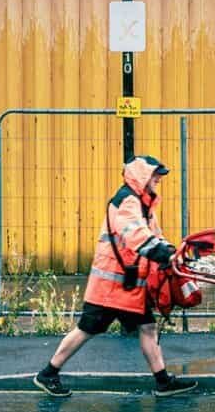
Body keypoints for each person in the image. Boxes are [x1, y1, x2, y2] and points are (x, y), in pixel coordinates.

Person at [34, 155, 198, 398]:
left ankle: (163, 381)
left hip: (127, 286)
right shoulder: (126, 202)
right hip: (111, 286)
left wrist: (172, 252)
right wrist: (165, 253)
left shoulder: (143, 203)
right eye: (155, 175)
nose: (158, 180)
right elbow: (136, 235)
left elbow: (154, 234)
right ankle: (47, 373)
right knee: (86, 329)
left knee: (148, 327)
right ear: (142, 176)